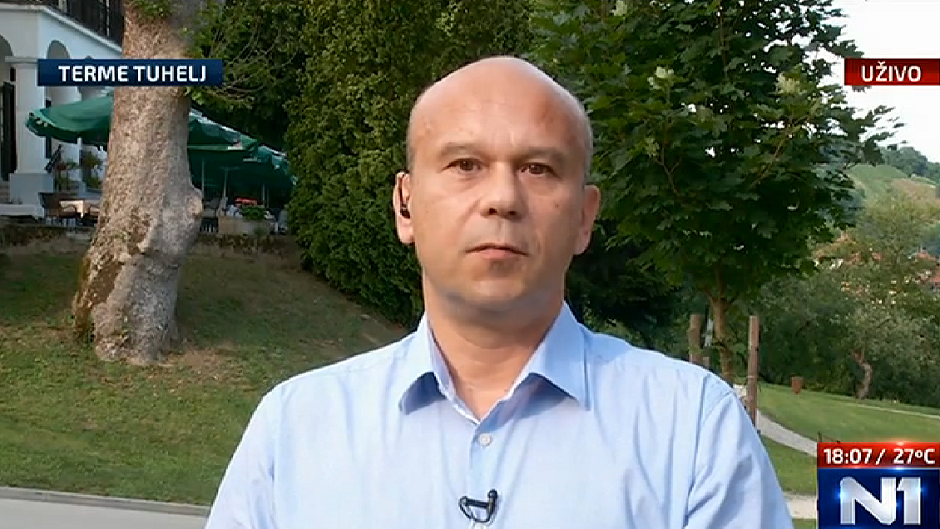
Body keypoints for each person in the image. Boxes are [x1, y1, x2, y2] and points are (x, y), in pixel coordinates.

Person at [204, 56, 795, 529]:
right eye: (465, 164)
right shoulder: (296, 429)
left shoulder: (692, 431)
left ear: (584, 217)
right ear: (405, 205)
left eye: (538, 169)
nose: (503, 198)